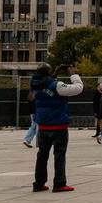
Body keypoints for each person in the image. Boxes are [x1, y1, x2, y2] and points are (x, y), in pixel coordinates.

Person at [30, 62, 83, 193]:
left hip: (42, 126)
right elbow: (78, 88)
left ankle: (39, 183)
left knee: (42, 155)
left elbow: (45, 84)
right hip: (58, 125)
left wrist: (54, 74)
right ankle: (59, 183)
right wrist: (73, 74)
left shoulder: (34, 85)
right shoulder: (57, 86)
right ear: (49, 72)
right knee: (59, 155)